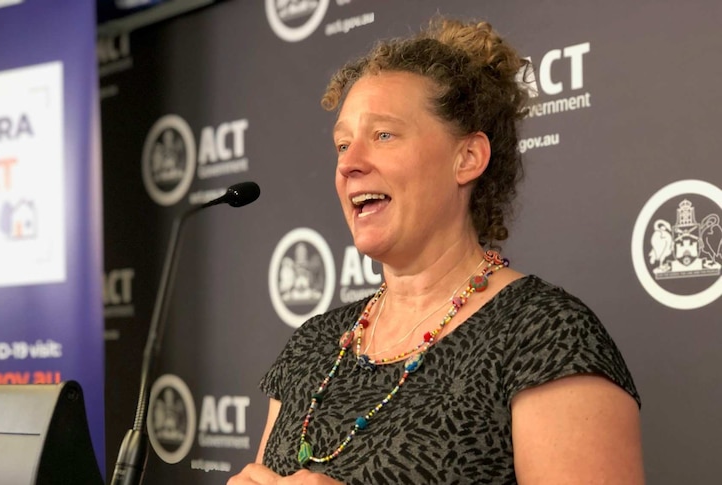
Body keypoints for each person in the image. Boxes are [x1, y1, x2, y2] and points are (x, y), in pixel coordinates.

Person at [229, 17, 643, 485]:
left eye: (383, 135)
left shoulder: (545, 335)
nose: (348, 163)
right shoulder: (311, 346)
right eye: (342, 144)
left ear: (467, 159)